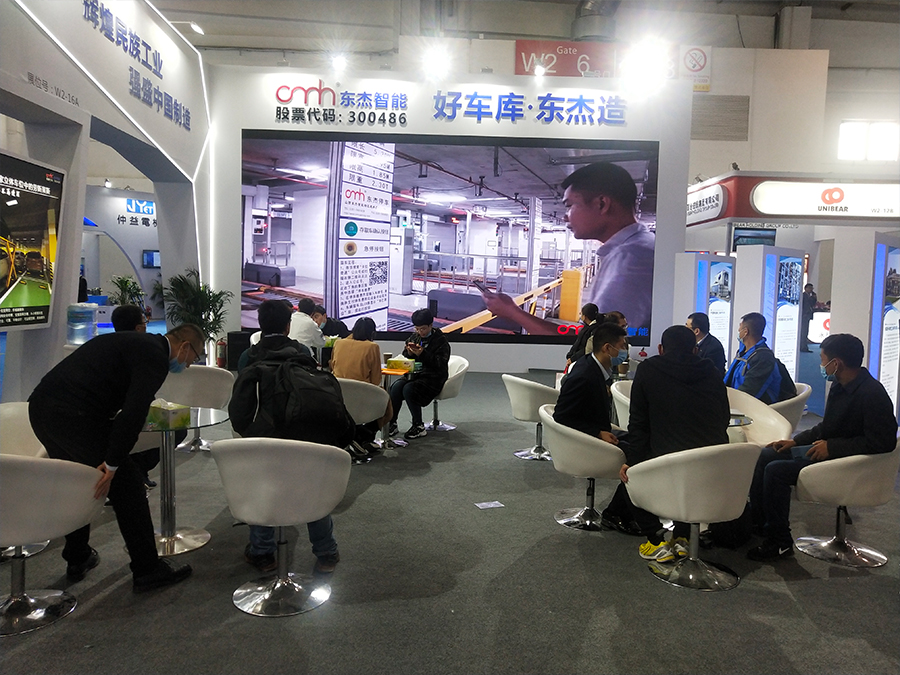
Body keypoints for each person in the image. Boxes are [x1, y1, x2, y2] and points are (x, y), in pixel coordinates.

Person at [28, 324, 204, 592]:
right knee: (128, 487)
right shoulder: (155, 357)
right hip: (72, 416)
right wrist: (112, 463)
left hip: (43, 409)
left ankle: (78, 556)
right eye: (195, 357)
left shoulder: (141, 345)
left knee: (78, 480)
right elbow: (132, 413)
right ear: (184, 347)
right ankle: (147, 570)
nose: (189, 364)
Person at [747, 333, 897, 562]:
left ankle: (779, 542)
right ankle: (761, 524)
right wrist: (796, 441)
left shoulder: (871, 394)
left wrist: (833, 448)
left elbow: (883, 442)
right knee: (767, 454)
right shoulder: (841, 386)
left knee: (776, 471)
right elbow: (827, 426)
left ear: (836, 363)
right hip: (830, 452)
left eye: (823, 359)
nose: (821, 365)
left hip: (848, 464)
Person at [233, 299, 344, 574]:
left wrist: (252, 434)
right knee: (312, 491)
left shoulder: (249, 357)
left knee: (263, 490)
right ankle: (326, 553)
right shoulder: (302, 352)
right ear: (287, 326)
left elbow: (240, 408)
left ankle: (263, 554)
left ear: (260, 325)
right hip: (304, 434)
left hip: (266, 440)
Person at [480, 162, 654, 334]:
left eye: (570, 206)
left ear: (602, 204)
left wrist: (513, 312)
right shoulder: (638, 248)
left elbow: (595, 344)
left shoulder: (632, 258)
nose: (565, 217)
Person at [618, 325, 731, 562]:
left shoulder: (648, 369)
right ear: (695, 350)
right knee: (687, 470)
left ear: (660, 348)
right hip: (712, 464)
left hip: (666, 463)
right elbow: (723, 417)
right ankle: (682, 537)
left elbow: (638, 424)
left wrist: (632, 462)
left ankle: (656, 540)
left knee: (629, 478)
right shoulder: (711, 370)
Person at [389, 308, 450, 440]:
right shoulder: (414, 337)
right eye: (417, 328)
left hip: (434, 377)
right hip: (415, 375)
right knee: (395, 387)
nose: (420, 332)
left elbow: (440, 364)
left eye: (423, 329)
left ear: (431, 325)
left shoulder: (440, 341)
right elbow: (406, 355)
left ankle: (418, 425)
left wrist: (423, 354)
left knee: (409, 389)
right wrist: (409, 353)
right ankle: (392, 423)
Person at [724, 312, 796, 404]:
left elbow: (749, 393)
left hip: (757, 408)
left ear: (745, 332)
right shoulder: (743, 352)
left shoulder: (763, 359)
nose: (738, 330)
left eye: (740, 327)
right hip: (737, 401)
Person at [564, 303, 602, 367]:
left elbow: (587, 348)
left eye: (581, 313)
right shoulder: (587, 327)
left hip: (583, 361)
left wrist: (573, 358)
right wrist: (570, 356)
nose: (580, 315)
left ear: (584, 317)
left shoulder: (595, 330)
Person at [800, 283, 817, 352]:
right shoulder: (803, 296)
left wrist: (814, 297)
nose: (811, 290)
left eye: (812, 288)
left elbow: (812, 304)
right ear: (806, 288)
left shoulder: (811, 296)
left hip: (807, 315)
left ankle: (804, 346)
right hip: (804, 315)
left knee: (805, 331)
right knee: (803, 332)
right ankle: (802, 347)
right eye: (810, 288)